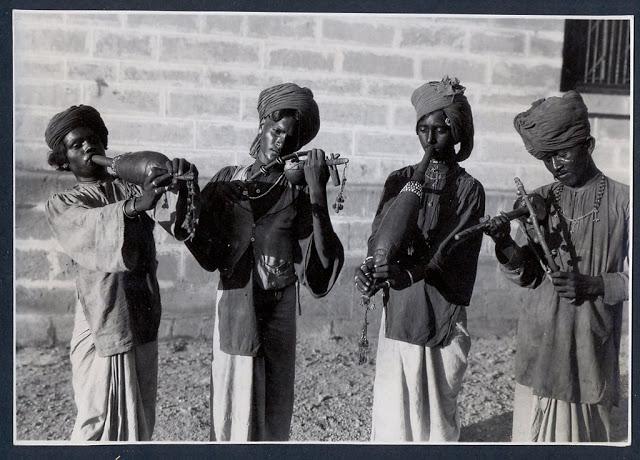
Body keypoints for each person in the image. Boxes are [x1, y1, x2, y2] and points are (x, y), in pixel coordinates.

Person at [185, 83, 344, 441]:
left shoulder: (300, 190)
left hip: (277, 306)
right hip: (234, 300)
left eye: (290, 140)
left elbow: (322, 262)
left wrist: (317, 191)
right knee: (231, 389)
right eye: (276, 132)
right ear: (261, 126)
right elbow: (202, 244)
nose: (281, 143)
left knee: (273, 397)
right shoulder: (228, 180)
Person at [483, 91, 629, 442]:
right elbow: (530, 275)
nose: (555, 165)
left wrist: (594, 285)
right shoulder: (539, 201)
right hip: (541, 343)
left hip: (589, 346)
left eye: (563, 152)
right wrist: (503, 242)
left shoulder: (625, 202)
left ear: (589, 144)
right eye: (547, 157)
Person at [44, 105, 193, 441]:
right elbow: (85, 225)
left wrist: (180, 184)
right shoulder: (64, 201)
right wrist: (134, 206)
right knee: (95, 417)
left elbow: (175, 223)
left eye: (92, 139)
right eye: (76, 145)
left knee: (140, 415)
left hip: (142, 310)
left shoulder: (132, 187)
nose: (87, 148)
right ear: (63, 160)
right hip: (102, 317)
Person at [355, 76, 485, 442]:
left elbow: (450, 250)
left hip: (438, 311)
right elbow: (379, 236)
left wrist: (406, 274)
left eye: (440, 130)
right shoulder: (399, 181)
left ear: (455, 134)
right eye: (423, 129)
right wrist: (370, 268)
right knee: (396, 417)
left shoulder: (469, 189)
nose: (430, 139)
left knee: (436, 420)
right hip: (400, 312)